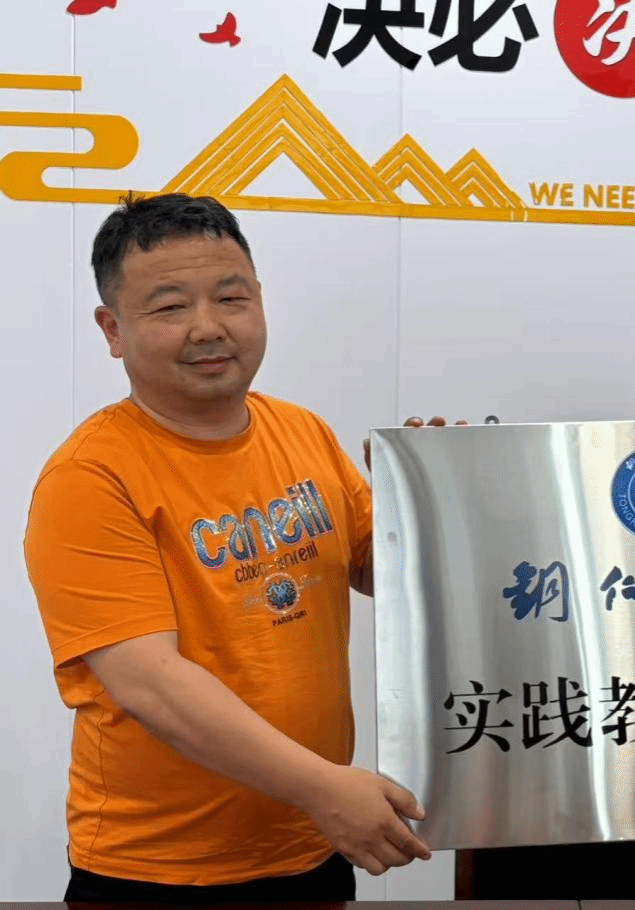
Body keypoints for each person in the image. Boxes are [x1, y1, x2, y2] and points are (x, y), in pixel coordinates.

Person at [24, 193, 431, 903]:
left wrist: (433, 502)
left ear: (260, 302)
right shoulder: (89, 477)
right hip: (159, 869)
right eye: (170, 307)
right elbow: (150, 683)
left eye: (231, 297)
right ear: (113, 329)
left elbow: (381, 572)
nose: (208, 327)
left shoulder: (301, 431)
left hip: (311, 842)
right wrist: (326, 789)